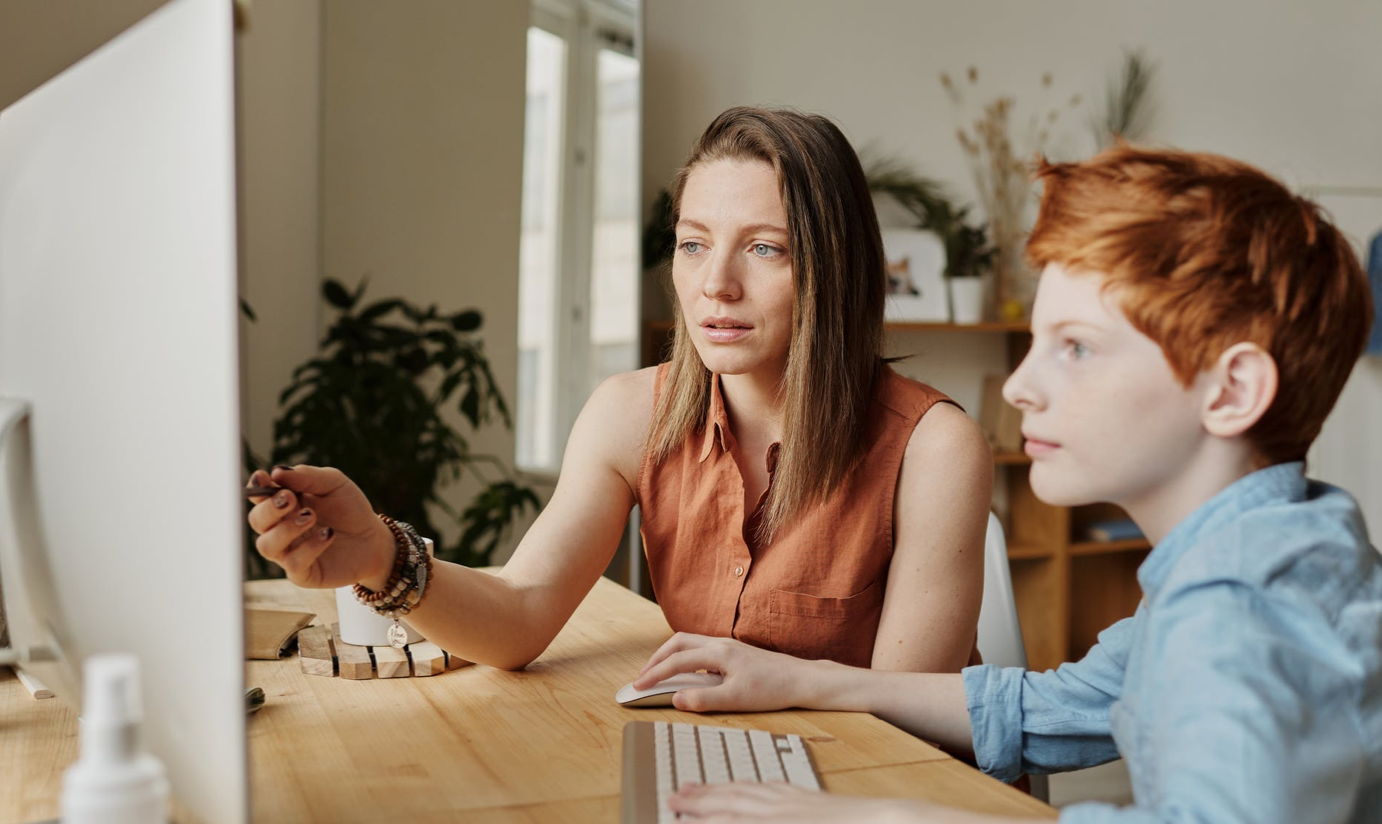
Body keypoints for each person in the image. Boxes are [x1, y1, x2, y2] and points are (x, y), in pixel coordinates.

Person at [633, 146, 1382, 823]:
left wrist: (870, 819)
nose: (1020, 386)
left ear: (1232, 391)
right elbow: (1060, 707)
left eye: (1077, 349)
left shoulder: (1242, 607)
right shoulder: (1266, 551)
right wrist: (807, 680)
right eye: (1034, 347)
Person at [245, 106, 993, 675]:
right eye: (693, 243)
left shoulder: (934, 449)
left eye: (765, 248)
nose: (715, 284)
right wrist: (381, 555)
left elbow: (905, 721)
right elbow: (520, 615)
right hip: (732, 773)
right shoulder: (631, 413)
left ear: (836, 270)